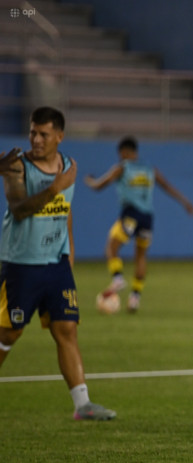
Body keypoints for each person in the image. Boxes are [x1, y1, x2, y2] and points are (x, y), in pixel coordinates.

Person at [0, 106, 116, 420]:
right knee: (8, 334)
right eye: (32, 132)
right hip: (20, 266)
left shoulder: (68, 166)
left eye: (43, 134)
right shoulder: (15, 166)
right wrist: (54, 187)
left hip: (56, 266)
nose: (36, 139)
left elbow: (66, 211)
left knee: (66, 329)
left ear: (59, 137)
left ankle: (83, 405)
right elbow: (20, 208)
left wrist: (70, 256)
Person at [84, 137, 193, 312]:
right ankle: (135, 298)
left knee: (112, 246)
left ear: (124, 152)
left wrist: (90, 181)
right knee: (141, 256)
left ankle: (118, 278)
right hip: (147, 219)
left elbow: (100, 185)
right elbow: (167, 186)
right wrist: (185, 202)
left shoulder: (122, 167)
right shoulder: (150, 169)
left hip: (131, 214)